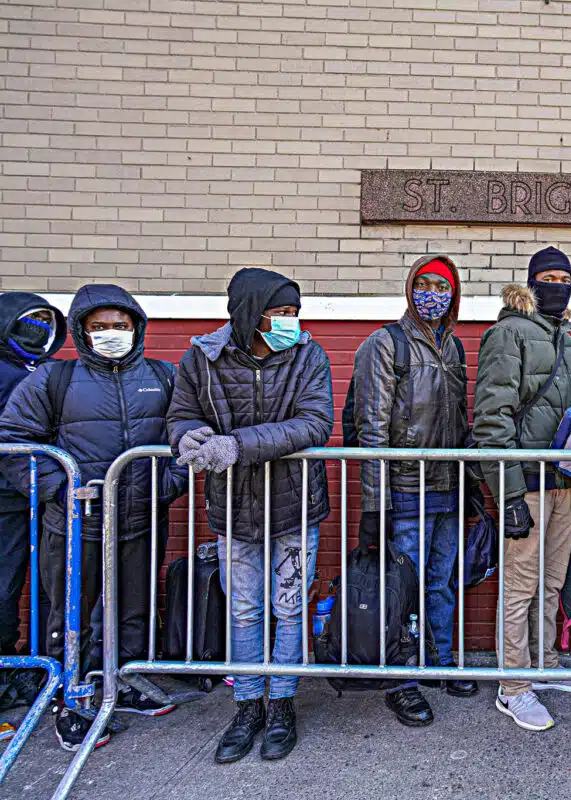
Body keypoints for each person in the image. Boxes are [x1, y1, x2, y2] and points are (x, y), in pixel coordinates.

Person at [0, 285, 187, 751]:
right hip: (74, 523)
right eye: (100, 327)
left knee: (133, 609)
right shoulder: (53, 380)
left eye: (120, 326)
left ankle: (120, 683)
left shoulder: (163, 376)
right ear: (82, 331)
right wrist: (58, 487)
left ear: (137, 328)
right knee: (72, 614)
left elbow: (189, 430)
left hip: (141, 518)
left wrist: (169, 485)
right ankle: (73, 699)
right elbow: (14, 438)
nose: (111, 334)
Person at [167, 268, 333, 764]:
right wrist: (190, 436)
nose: (289, 322)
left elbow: (314, 422)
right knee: (244, 610)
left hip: (296, 505)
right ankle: (246, 707)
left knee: (288, 608)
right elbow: (181, 414)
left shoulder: (308, 354)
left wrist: (237, 445)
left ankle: (281, 704)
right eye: (279, 313)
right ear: (247, 313)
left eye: (293, 313)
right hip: (234, 510)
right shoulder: (203, 357)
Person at [351, 254, 476, 727]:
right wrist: (374, 502)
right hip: (403, 489)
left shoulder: (454, 348)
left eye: (442, 288)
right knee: (400, 588)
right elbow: (372, 427)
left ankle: (439, 662)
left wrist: (470, 479)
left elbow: (459, 418)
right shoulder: (386, 344)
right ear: (410, 290)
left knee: (441, 581)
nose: (433, 296)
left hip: (446, 486)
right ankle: (400, 682)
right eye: (424, 285)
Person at [473, 246, 571, 732]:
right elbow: (491, 417)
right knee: (519, 587)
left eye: (564, 276)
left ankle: (543, 664)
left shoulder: (570, 339)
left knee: (551, 583)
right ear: (530, 284)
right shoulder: (508, 333)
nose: (557, 284)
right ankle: (513, 686)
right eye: (547, 277)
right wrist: (509, 494)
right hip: (528, 485)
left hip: (564, 482)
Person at [0, 293, 64, 660]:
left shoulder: (49, 370)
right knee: (5, 586)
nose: (38, 328)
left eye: (45, 320)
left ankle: (42, 661)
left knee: (51, 587)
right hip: (6, 499)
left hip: (45, 494)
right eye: (29, 320)